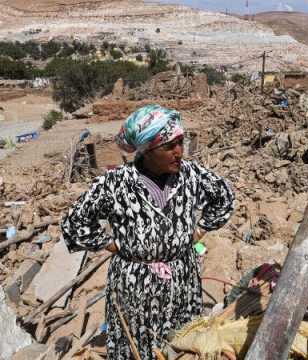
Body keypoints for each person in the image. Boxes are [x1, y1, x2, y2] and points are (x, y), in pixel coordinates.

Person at [61, 105, 235, 359]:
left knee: (182, 342)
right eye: (169, 146)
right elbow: (74, 222)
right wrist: (112, 245)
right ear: (147, 151)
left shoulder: (191, 175)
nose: (179, 152)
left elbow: (224, 196)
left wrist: (199, 231)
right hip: (134, 285)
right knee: (137, 346)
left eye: (180, 142)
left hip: (182, 279)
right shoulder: (115, 183)